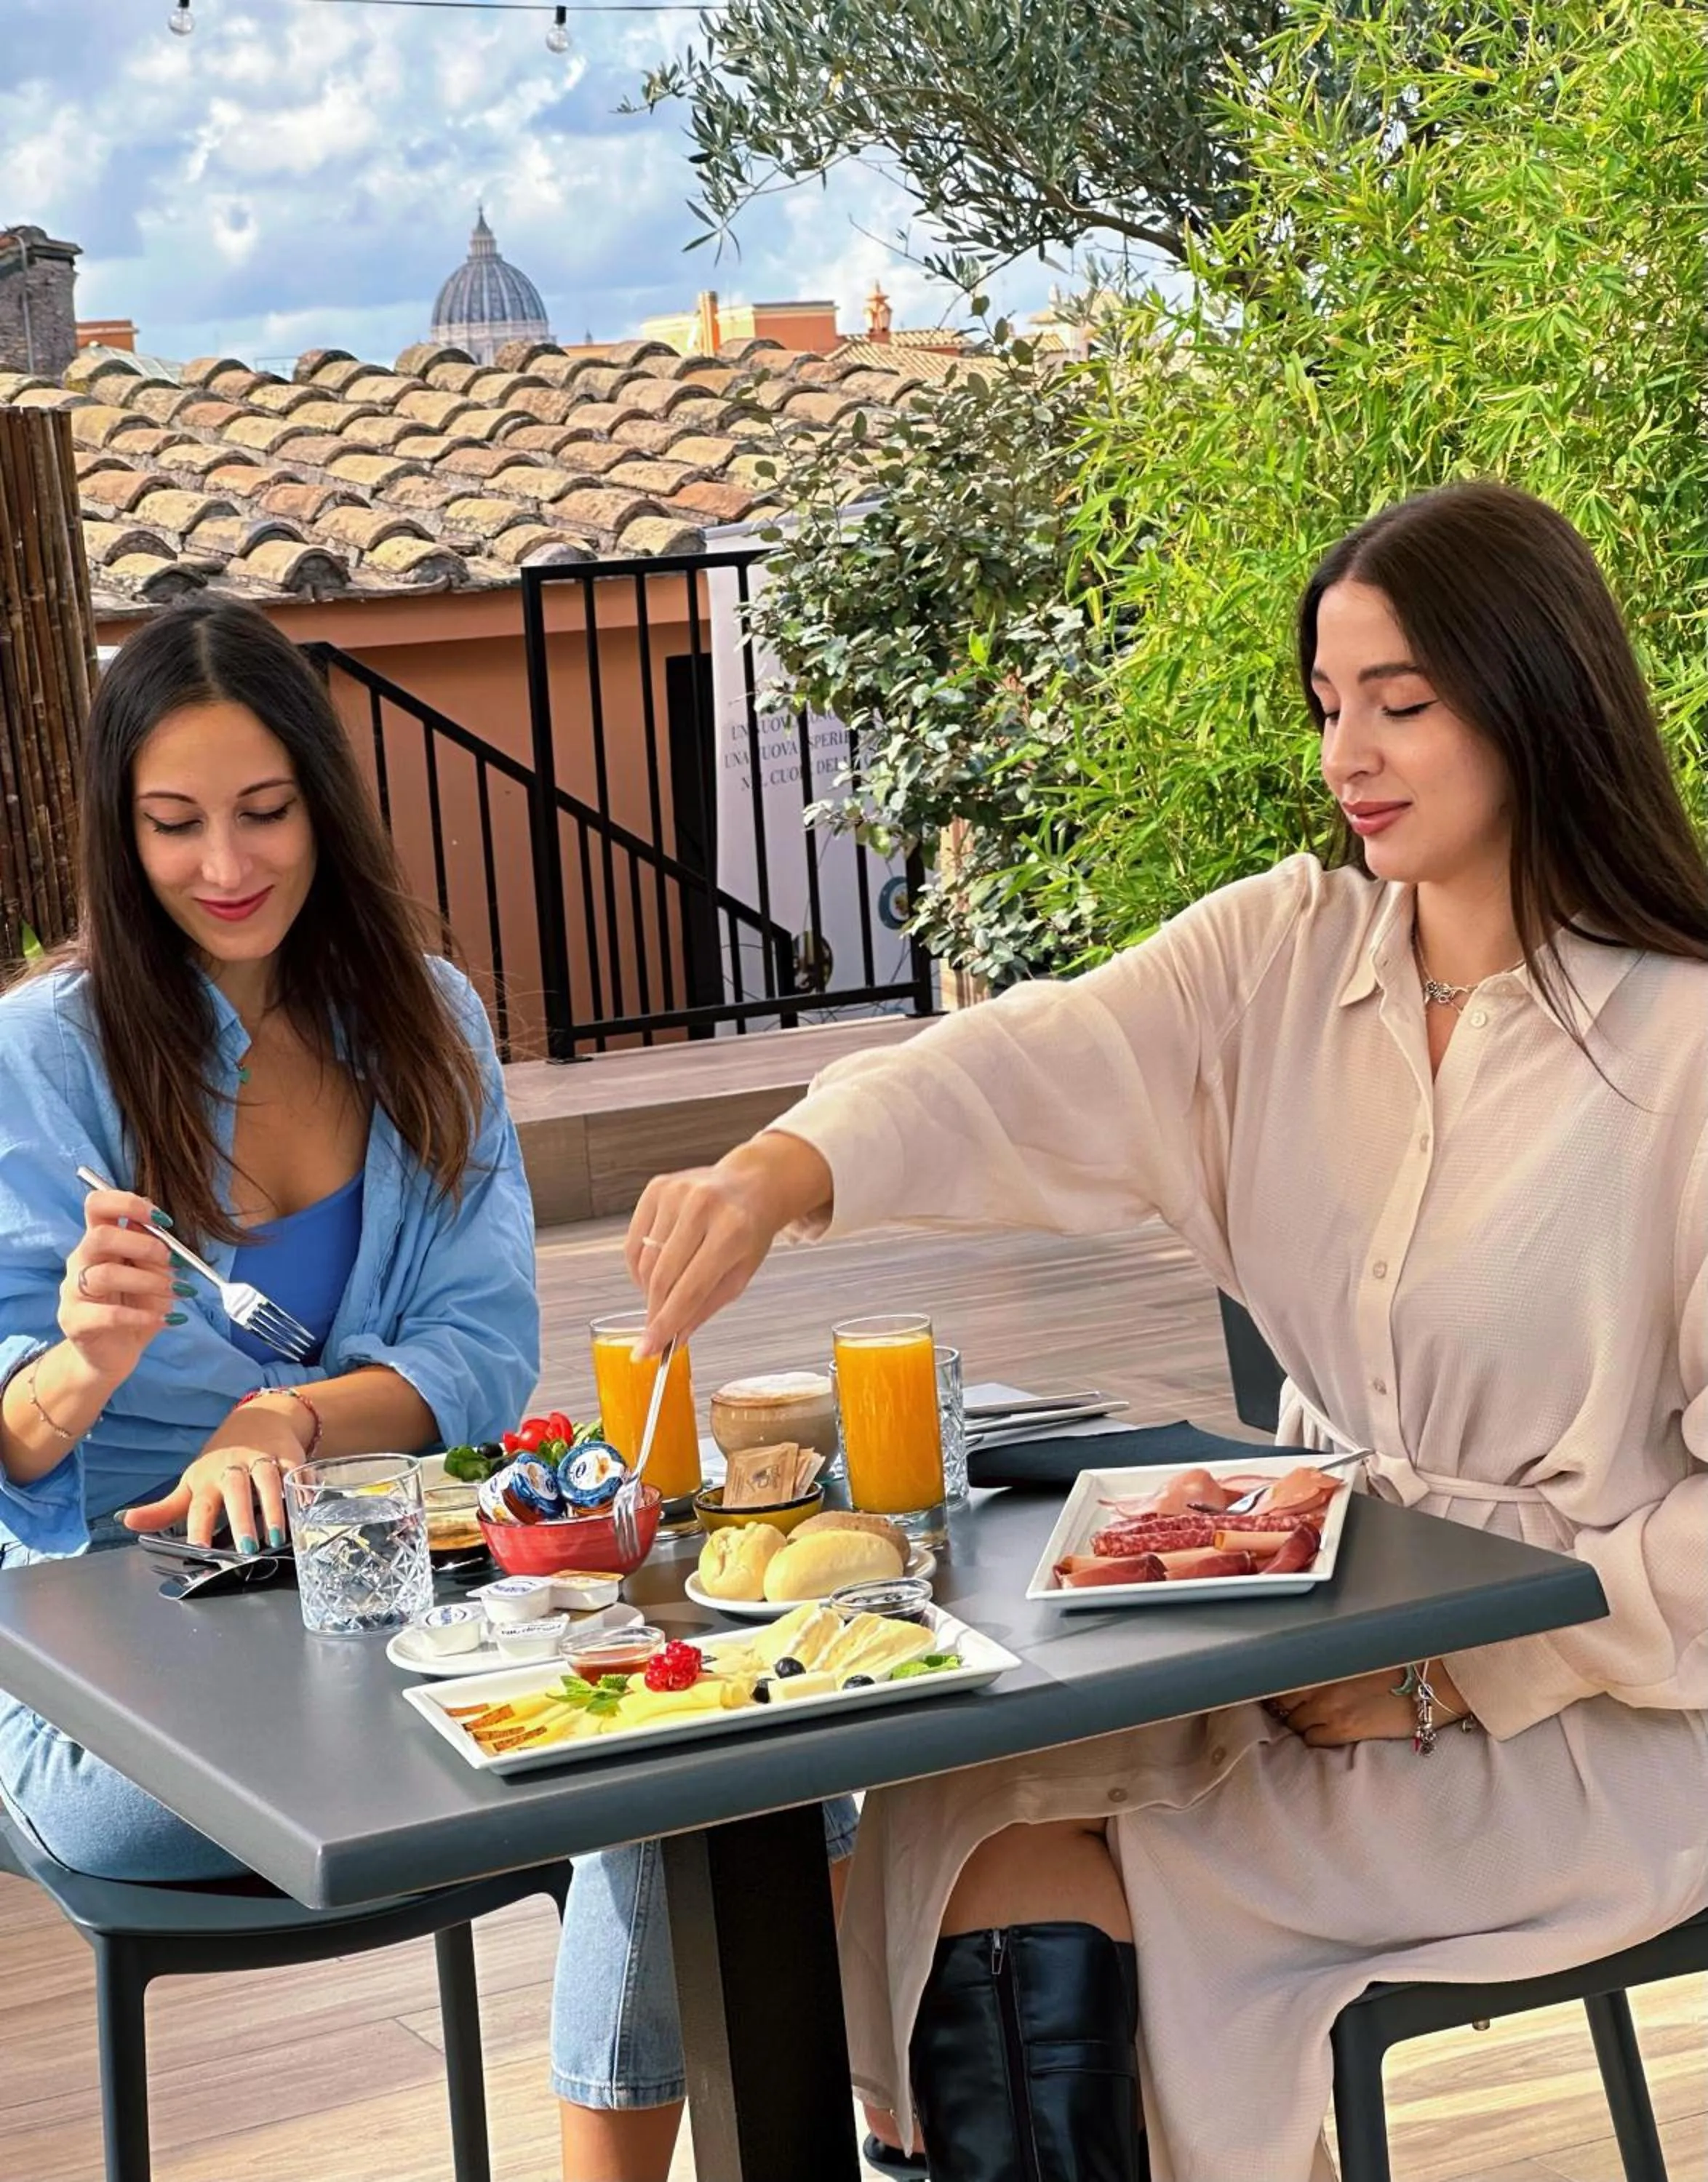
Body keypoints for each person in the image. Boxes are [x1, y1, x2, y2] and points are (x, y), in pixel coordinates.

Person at [618, 480, 1708, 2181]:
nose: (1351, 751)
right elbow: (1031, 1054)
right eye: (1330, 705)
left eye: (1402, 706)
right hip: (1313, 1633)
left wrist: (1466, 1665)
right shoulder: (1282, 956)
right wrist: (781, 1169)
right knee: (951, 1803)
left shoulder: (1686, 1048)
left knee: (1099, 1882)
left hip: (1609, 1713)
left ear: (1537, 699)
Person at [0, 595, 540, 1879]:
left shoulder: (435, 1023)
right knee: (584, 1744)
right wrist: (85, 1358)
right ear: (120, 834)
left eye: (267, 811)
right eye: (175, 825)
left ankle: (858, 2092)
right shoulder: (43, 1056)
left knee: (733, 1767)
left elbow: (482, 1350)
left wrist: (286, 1421)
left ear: (325, 807)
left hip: (377, 1595)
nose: (228, 869)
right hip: (106, 1661)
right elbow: (12, 1438)